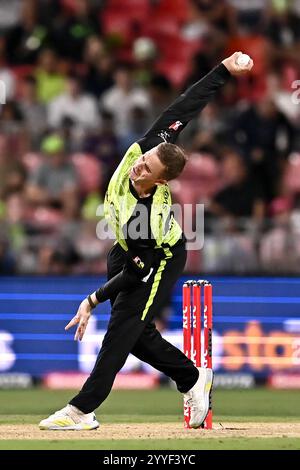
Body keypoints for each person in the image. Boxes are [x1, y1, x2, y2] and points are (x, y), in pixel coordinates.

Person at [39, 52, 253, 431]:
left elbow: (139, 270)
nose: (138, 163)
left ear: (161, 182)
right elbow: (186, 105)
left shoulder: (148, 215)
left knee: (122, 328)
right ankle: (191, 378)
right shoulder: (150, 145)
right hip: (124, 248)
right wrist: (223, 69)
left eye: (147, 168)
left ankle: (80, 411)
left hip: (157, 255)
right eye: (145, 157)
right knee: (136, 334)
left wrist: (91, 300)